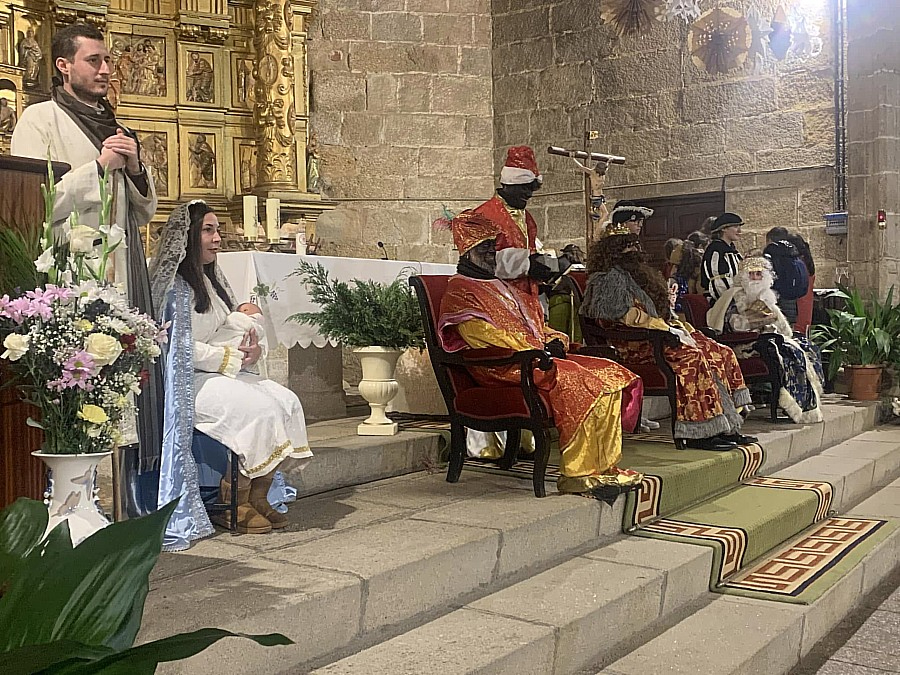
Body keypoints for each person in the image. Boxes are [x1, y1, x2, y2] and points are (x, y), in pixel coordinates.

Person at [11, 22, 160, 512]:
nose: (106, 69)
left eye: (108, 60)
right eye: (94, 60)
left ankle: (117, 504)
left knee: (119, 390)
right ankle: (72, 506)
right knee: (78, 393)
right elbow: (32, 197)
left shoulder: (116, 124)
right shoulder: (40, 119)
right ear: (63, 65)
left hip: (120, 270)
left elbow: (143, 211)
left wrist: (135, 167)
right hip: (72, 275)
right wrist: (96, 167)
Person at [438, 210, 645, 498]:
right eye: (484, 249)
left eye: (492, 248)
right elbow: (482, 336)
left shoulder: (499, 284)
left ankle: (604, 468)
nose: (490, 254)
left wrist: (555, 340)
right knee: (583, 383)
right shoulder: (460, 289)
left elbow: (533, 323)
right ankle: (578, 473)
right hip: (502, 365)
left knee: (609, 375)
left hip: (534, 357)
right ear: (468, 251)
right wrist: (536, 349)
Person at [148, 201, 313, 549]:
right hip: (190, 380)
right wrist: (225, 357)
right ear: (189, 235)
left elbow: (235, 328)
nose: (218, 238)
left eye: (218, 230)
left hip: (225, 372)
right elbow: (175, 348)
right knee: (259, 410)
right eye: (209, 230)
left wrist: (254, 351)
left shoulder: (214, 283)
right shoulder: (176, 288)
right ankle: (231, 501)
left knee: (287, 401)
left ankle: (258, 494)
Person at [581, 220, 757, 451]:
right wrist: (664, 329)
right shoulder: (608, 278)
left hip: (657, 334)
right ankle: (698, 432)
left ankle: (726, 426)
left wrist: (681, 329)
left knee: (718, 351)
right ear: (613, 251)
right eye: (627, 246)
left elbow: (663, 312)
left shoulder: (641, 275)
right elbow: (617, 315)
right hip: (633, 343)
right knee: (692, 358)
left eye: (635, 245)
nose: (633, 250)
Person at [728, 256, 824, 423]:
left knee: (808, 347)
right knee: (788, 352)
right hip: (747, 343)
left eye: (759, 274)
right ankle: (792, 404)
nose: (756, 278)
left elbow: (783, 326)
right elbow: (733, 325)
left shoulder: (767, 296)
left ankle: (805, 404)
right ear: (744, 277)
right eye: (751, 274)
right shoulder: (736, 298)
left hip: (771, 337)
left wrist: (782, 330)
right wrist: (759, 321)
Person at [764, 226, 812, 330]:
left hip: (781, 297)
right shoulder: (794, 254)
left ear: (770, 240)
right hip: (795, 298)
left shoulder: (774, 253)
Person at [701, 213, 744, 303]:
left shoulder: (732, 250)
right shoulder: (716, 249)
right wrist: (736, 300)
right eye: (736, 227)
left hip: (734, 297)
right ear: (724, 229)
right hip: (719, 301)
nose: (740, 231)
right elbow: (718, 281)